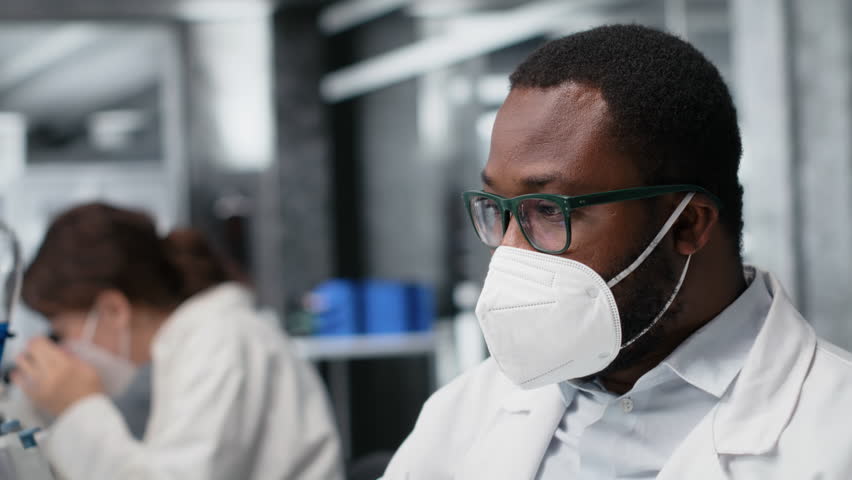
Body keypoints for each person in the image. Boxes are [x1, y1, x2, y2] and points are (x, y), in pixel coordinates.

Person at [382, 24, 852, 479]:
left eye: (548, 210)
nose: (510, 252)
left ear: (687, 224)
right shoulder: (463, 414)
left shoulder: (834, 435)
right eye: (496, 208)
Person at [12, 203, 344, 480]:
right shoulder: (195, 343)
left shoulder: (220, 340)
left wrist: (77, 406)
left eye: (62, 332)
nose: (64, 349)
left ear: (113, 309)